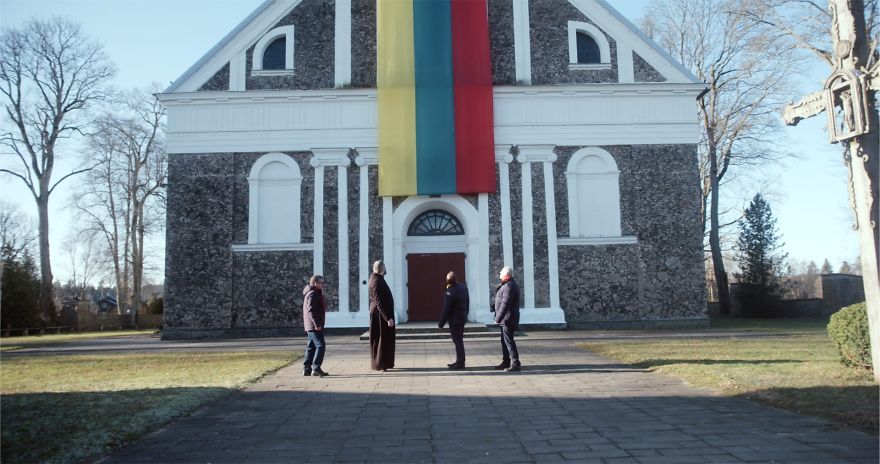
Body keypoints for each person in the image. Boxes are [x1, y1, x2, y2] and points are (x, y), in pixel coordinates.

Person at [369, 260, 396, 371]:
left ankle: (385, 363)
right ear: (382, 268)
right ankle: (381, 364)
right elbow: (379, 302)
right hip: (380, 315)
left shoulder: (377, 279)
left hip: (381, 314)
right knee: (381, 339)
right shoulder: (376, 281)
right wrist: (387, 318)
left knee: (385, 339)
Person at [438, 271, 469, 369]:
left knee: (458, 341)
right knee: (459, 340)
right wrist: (466, 313)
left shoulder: (449, 292)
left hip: (455, 320)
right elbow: (467, 301)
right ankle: (459, 361)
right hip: (462, 318)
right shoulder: (463, 287)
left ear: (447, 281)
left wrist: (441, 323)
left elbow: (446, 309)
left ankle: (460, 363)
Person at [493, 266, 521, 372]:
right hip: (506, 319)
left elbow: (505, 304)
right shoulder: (507, 285)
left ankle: (515, 363)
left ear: (506, 275)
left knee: (509, 341)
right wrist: (493, 306)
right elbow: (501, 300)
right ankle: (506, 361)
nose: (499, 275)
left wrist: (498, 319)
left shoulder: (509, 286)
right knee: (504, 341)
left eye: (501, 274)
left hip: (508, 319)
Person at [302, 275, 329, 377]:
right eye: (321, 283)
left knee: (311, 346)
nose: (323, 285)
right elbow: (311, 311)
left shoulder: (312, 293)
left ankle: (307, 368)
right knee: (321, 345)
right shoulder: (313, 294)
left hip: (310, 325)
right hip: (314, 325)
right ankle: (316, 368)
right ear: (315, 283)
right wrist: (317, 324)